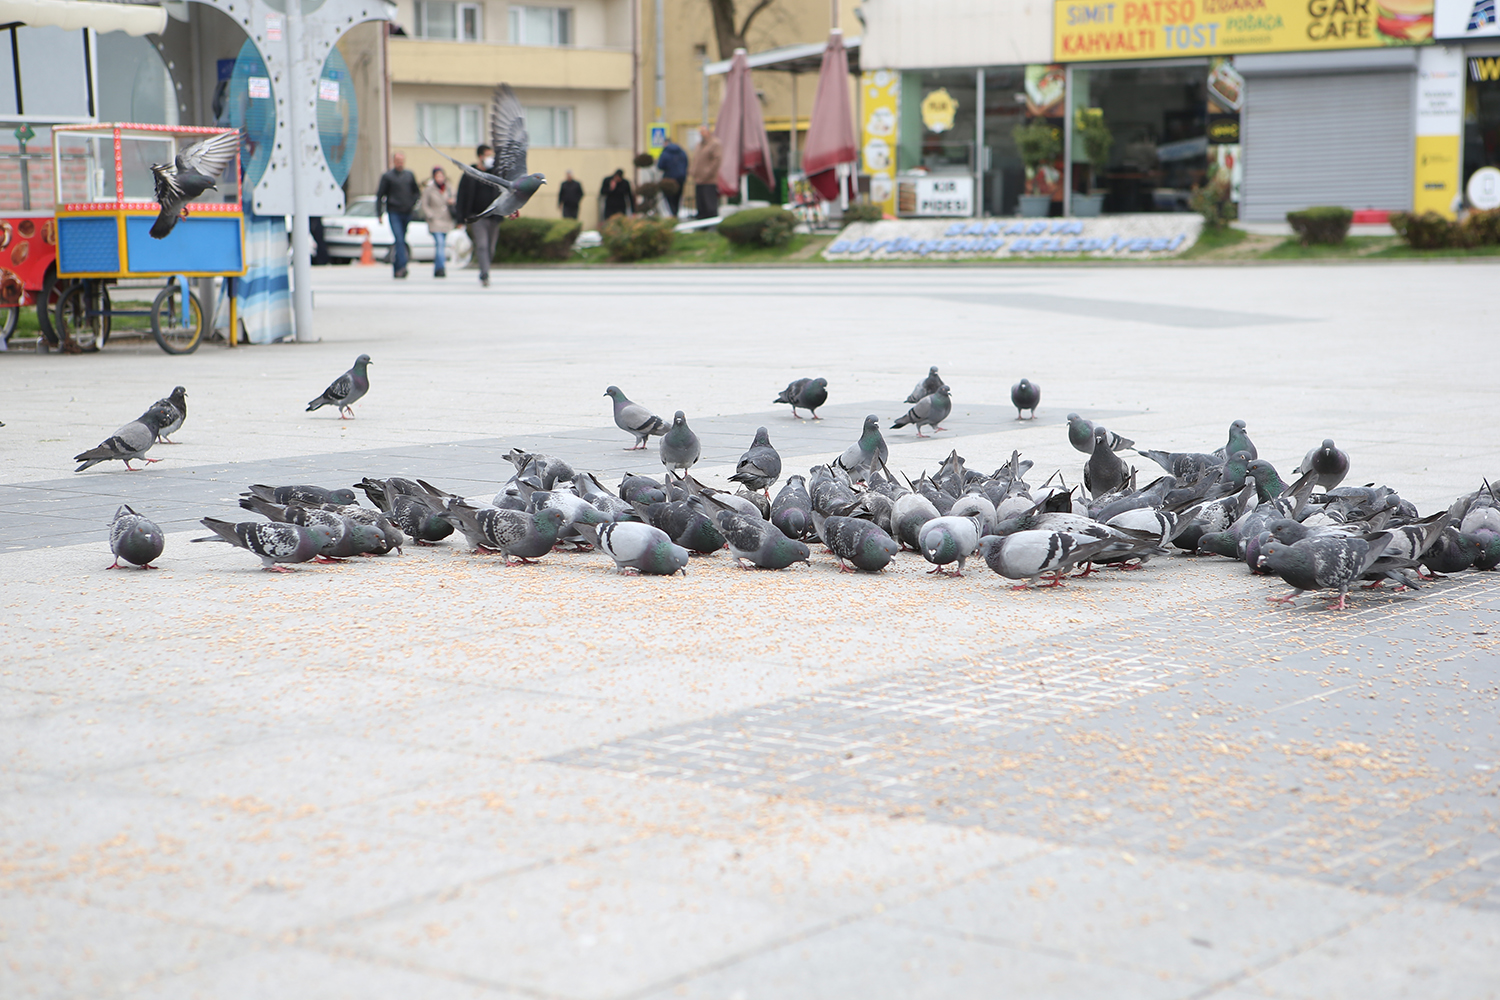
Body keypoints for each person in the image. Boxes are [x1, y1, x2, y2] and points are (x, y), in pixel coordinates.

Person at [456, 144, 499, 287]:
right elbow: (461, 196)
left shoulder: (495, 173)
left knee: (490, 249)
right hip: (477, 217)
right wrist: (460, 218)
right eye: (488, 155)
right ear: (481, 156)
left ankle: (485, 268)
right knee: (482, 245)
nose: (491, 158)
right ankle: (484, 273)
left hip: (493, 217)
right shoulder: (470, 173)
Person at [375, 151, 420, 278]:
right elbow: (380, 195)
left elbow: (416, 192)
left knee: (400, 240)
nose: (400, 163)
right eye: (398, 161)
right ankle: (402, 267)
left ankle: (397, 268)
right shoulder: (387, 176)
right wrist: (379, 213)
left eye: (402, 161)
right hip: (394, 212)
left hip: (406, 212)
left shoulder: (409, 175)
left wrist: (412, 204)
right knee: (399, 239)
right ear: (393, 161)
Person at [419, 166, 455, 278]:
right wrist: (430, 215)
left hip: (446, 220)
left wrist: (452, 201)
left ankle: (437, 268)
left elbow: (456, 198)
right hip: (435, 221)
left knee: (442, 245)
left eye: (441, 175)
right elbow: (424, 204)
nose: (440, 178)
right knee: (440, 243)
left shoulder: (449, 188)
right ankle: (441, 268)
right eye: (437, 176)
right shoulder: (429, 189)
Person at [690, 126, 723, 220]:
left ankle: (711, 226)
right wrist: (693, 171)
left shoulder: (715, 144)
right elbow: (696, 159)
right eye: (700, 132)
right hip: (698, 180)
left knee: (710, 206)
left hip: (709, 180)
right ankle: (702, 225)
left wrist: (707, 173)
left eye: (703, 131)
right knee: (701, 206)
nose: (701, 134)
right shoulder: (699, 145)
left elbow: (716, 160)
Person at [655, 138, 688, 218]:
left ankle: (672, 213)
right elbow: (686, 163)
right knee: (678, 197)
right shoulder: (682, 152)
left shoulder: (665, 153)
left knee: (670, 198)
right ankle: (676, 212)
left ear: (666, 143)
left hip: (669, 179)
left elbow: (660, 166)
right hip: (681, 178)